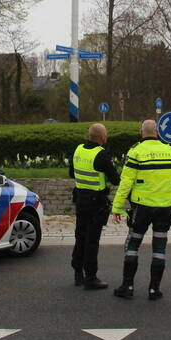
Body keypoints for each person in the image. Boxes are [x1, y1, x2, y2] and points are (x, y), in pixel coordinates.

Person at [111, 119, 171, 301]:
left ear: (141, 133)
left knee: (134, 244)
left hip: (142, 207)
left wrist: (117, 206)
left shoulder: (136, 152)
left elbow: (126, 182)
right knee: (159, 248)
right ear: (158, 132)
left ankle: (128, 286)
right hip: (165, 208)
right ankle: (154, 289)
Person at [68, 123, 119, 290]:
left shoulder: (78, 150)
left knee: (80, 236)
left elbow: (71, 173)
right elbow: (115, 179)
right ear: (103, 138)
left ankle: (78, 274)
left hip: (80, 200)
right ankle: (91, 277)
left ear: (89, 136)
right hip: (96, 203)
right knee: (92, 240)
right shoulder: (102, 155)